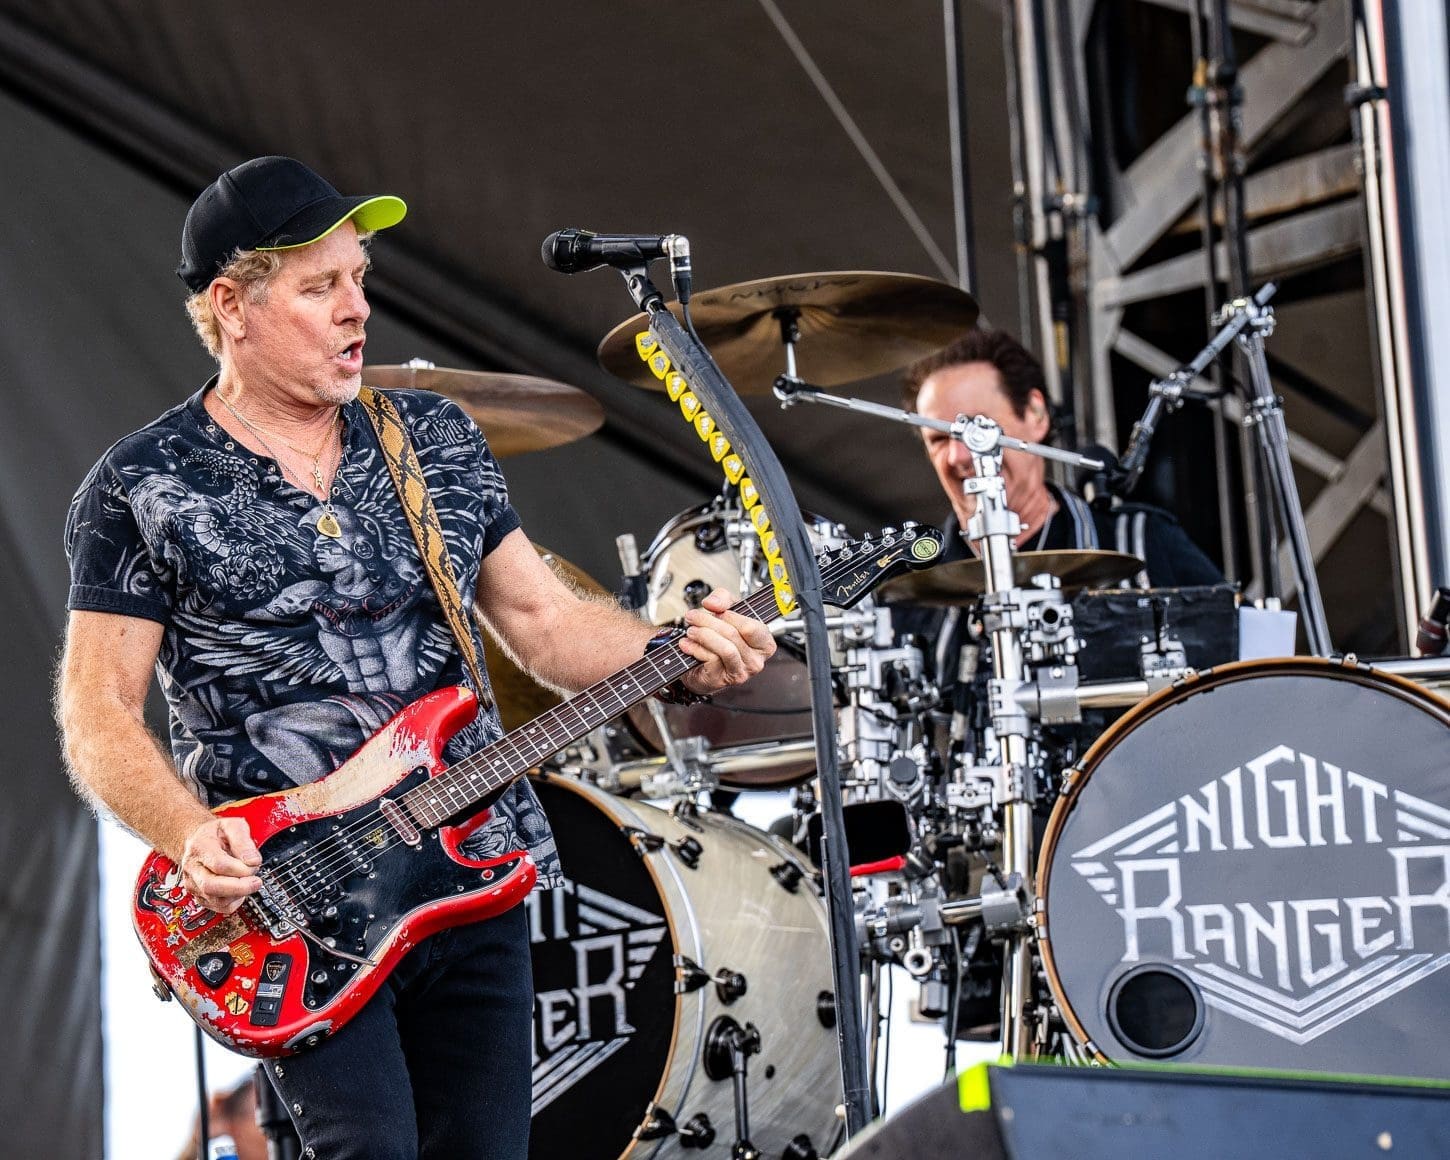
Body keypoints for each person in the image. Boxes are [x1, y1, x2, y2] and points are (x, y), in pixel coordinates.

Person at [56, 155, 776, 1160]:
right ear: (231, 304)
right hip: (295, 906)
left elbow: (544, 623)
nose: (358, 310)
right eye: (322, 287)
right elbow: (96, 714)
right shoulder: (141, 484)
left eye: (361, 278)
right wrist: (185, 830)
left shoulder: (431, 437)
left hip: (466, 862)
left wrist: (672, 649)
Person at [898, 327, 1223, 688]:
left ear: (1036, 414)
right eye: (939, 439)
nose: (958, 454)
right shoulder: (912, 593)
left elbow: (1247, 668)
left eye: (975, 427)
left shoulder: (1138, 541)